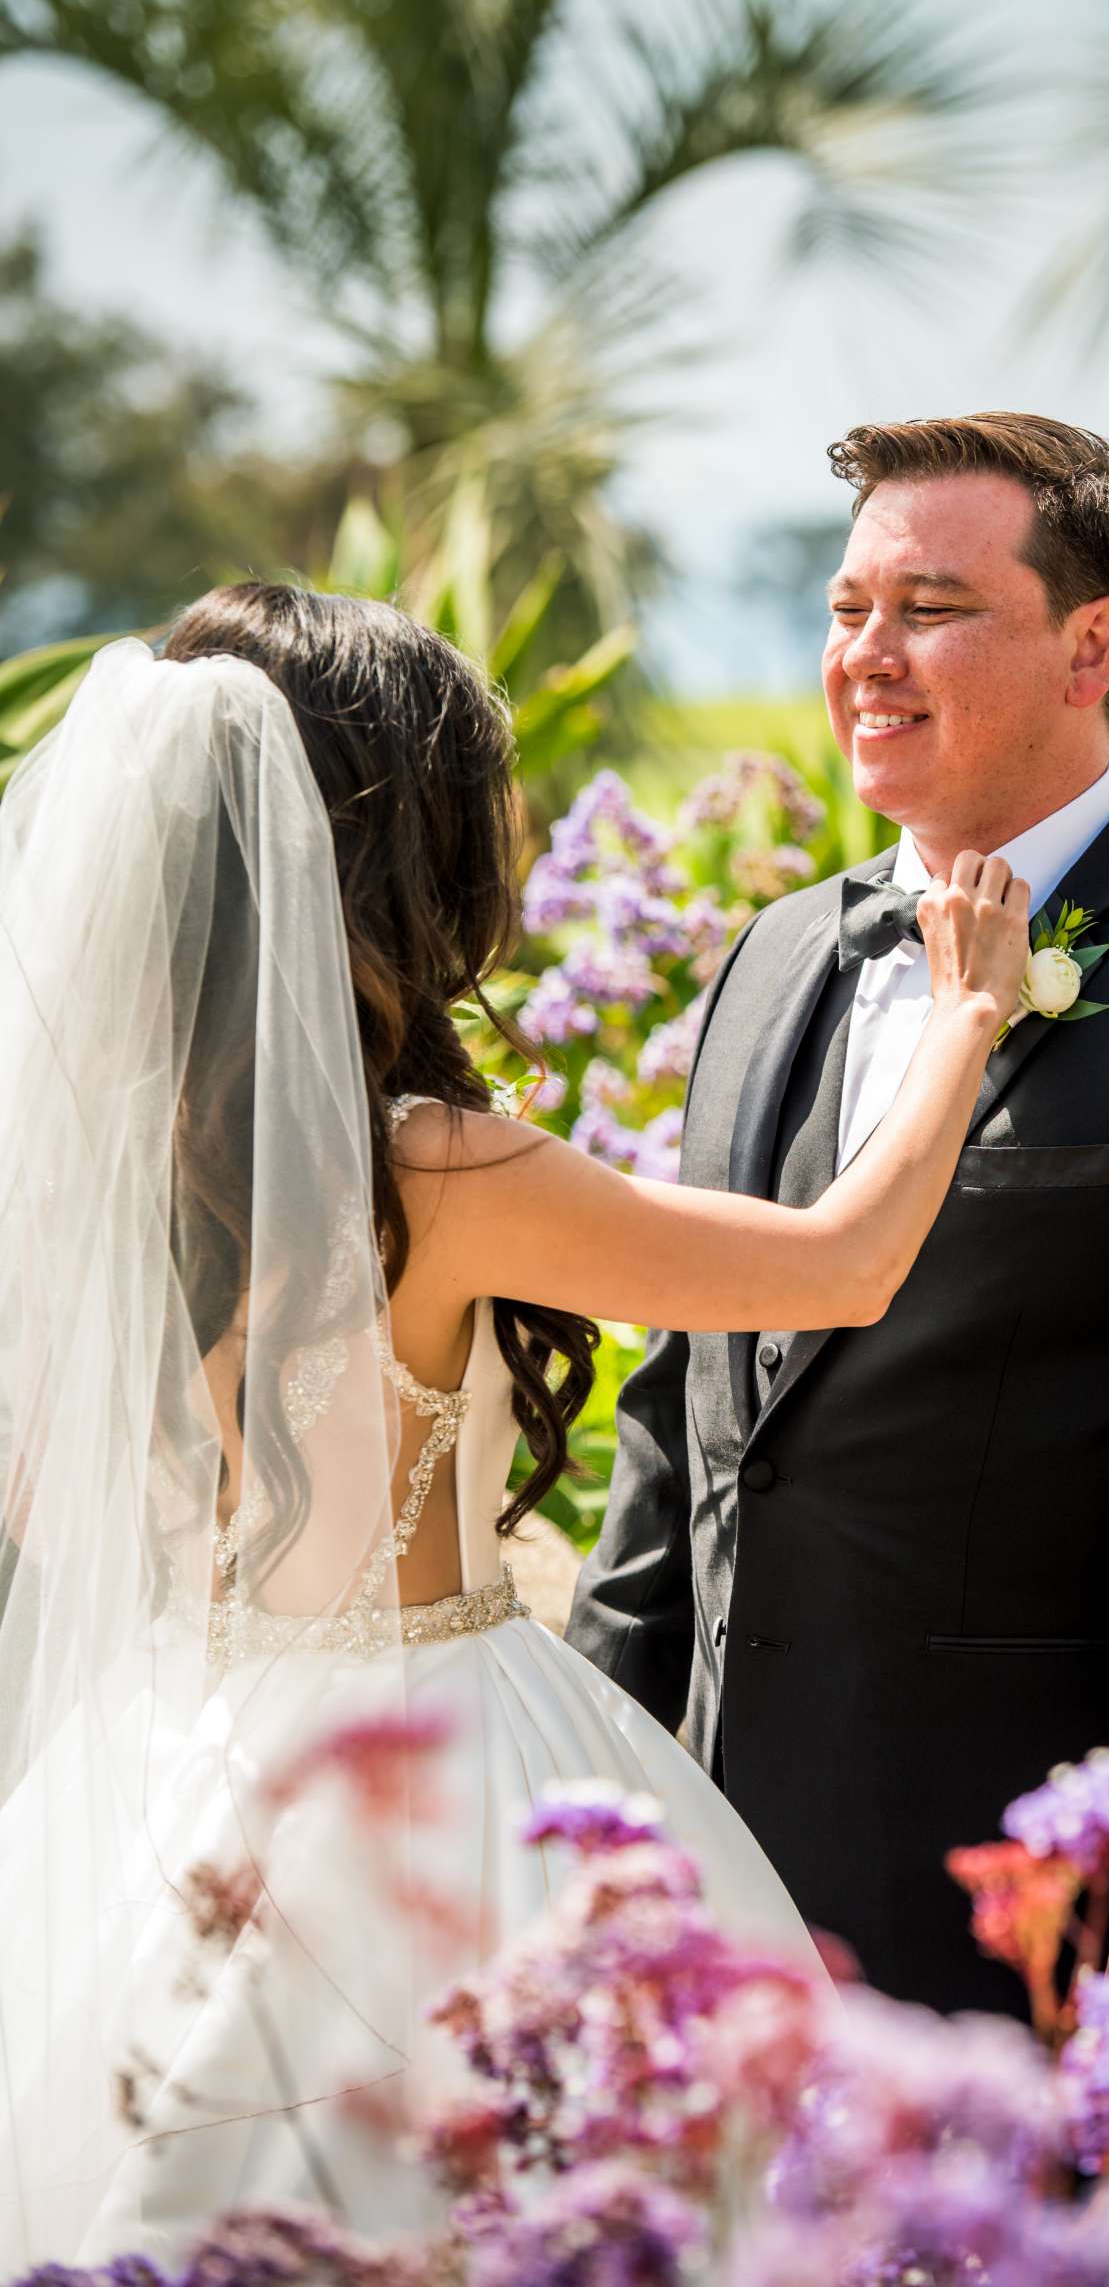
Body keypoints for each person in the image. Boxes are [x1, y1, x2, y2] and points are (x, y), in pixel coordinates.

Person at [0, 585, 1029, 2271]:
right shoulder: (427, 1167)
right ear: (386, 850)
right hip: (441, 1756)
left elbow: (51, 1508)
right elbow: (837, 1267)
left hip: (175, 1758)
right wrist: (968, 1012)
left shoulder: (94, 1162)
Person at [567, 412, 1109, 2033]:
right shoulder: (768, 958)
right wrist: (588, 1796)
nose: (864, 657)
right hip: (713, 1880)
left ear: (1094, 644)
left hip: (1038, 1910)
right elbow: (684, 1422)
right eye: (842, 611)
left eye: (929, 609)